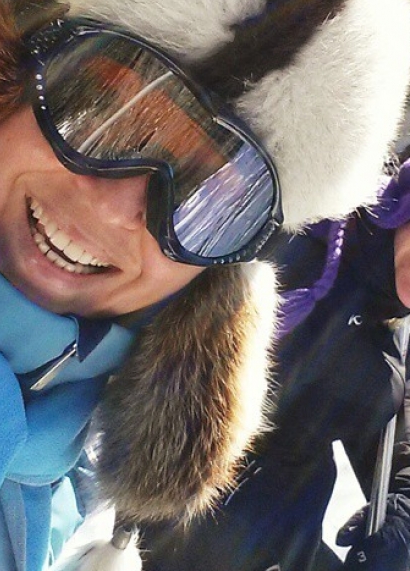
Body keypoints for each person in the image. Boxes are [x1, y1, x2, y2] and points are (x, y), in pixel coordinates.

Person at [0, 0, 409, 570]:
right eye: (100, 112)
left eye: (209, 199)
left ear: (227, 267)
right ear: (12, 56)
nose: (116, 212)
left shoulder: (73, 487)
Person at [139, 156, 410, 571]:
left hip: (281, 547)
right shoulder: (297, 227)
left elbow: (394, 438)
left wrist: (403, 510)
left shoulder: (390, 322)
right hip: (166, 523)